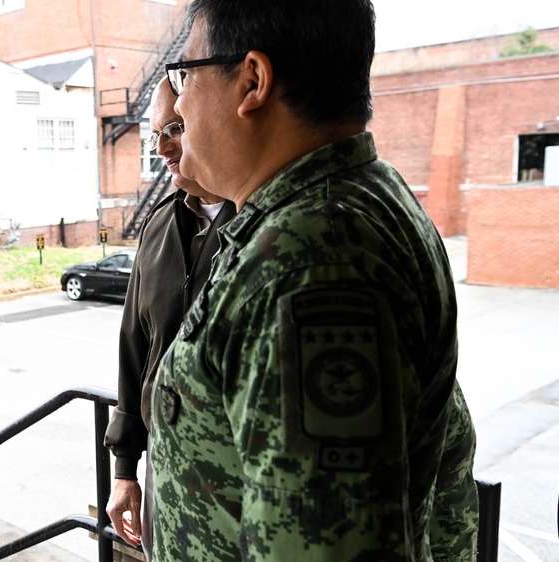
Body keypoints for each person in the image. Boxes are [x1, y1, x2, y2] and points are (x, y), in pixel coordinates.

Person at [149, 1, 479, 560]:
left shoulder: (306, 265)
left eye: (185, 75)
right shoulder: (359, 197)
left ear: (252, 80)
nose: (178, 102)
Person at [103, 77, 235, 556]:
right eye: (154, 133)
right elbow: (135, 348)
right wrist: (124, 470)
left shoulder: (263, 228)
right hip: (165, 479)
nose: (161, 146)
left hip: (233, 489)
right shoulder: (159, 223)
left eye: (175, 127)